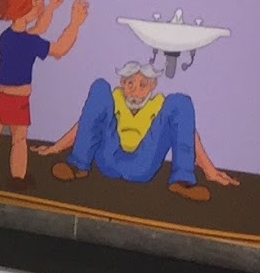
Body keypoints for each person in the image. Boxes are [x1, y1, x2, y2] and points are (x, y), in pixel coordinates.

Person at [35, 60, 238, 202]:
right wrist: (56, 148)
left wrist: (210, 171)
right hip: (109, 157)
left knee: (180, 102)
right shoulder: (114, 97)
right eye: (130, 83)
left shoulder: (158, 104)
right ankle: (77, 165)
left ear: (152, 86)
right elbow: (86, 123)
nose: (135, 90)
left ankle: (182, 180)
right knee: (99, 87)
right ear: (122, 83)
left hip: (142, 163)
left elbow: (188, 132)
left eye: (143, 85)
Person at [0, 0, 88, 182]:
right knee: (18, 140)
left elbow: (38, 28)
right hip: (17, 100)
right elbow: (59, 49)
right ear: (28, 1)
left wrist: (52, 6)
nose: (42, 3)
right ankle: (18, 179)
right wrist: (75, 23)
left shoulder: (8, 36)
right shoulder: (29, 42)